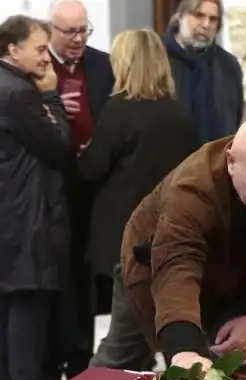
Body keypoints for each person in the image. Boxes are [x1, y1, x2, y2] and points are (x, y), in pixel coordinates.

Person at [88, 115, 246, 373]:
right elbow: (177, 263)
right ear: (231, 161)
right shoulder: (194, 188)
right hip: (155, 272)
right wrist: (185, 350)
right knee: (116, 369)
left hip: (235, 283)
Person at [0, 15, 72, 380]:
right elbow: (59, 146)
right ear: (13, 49)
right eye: (40, 48)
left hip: (0, 218)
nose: (47, 57)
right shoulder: (20, 93)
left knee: (6, 309)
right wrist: (51, 98)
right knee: (27, 311)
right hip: (29, 218)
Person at [78, 29, 197, 314]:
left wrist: (83, 152)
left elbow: (91, 168)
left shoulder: (119, 109)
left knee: (126, 322)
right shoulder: (178, 113)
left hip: (123, 228)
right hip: (166, 225)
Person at [49, 0, 116, 378]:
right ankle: (55, 355)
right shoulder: (40, 65)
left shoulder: (103, 64)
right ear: (52, 31)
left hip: (96, 185)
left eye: (83, 31)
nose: (77, 39)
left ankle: (80, 361)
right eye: (69, 32)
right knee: (59, 277)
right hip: (55, 186)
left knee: (88, 278)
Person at [161, 0, 243, 145]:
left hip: (215, 162)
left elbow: (234, 120)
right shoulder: (157, 59)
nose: (206, 24)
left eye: (213, 19)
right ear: (179, 16)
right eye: (198, 15)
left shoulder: (228, 66)